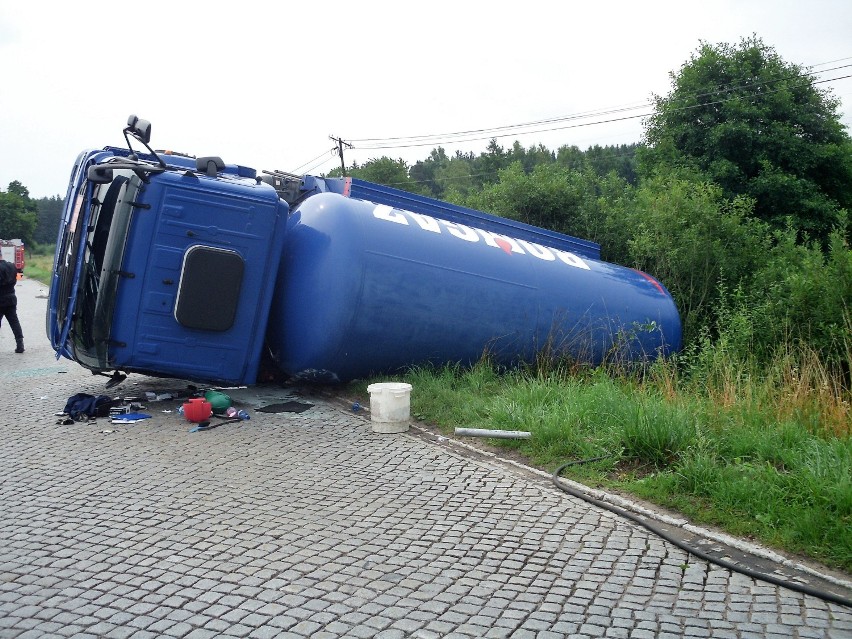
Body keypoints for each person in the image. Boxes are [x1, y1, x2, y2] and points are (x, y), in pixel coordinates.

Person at [0, 253, 24, 353]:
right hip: (11, 297)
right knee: (14, 322)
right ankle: (20, 345)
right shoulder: (12, 265)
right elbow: (20, 276)